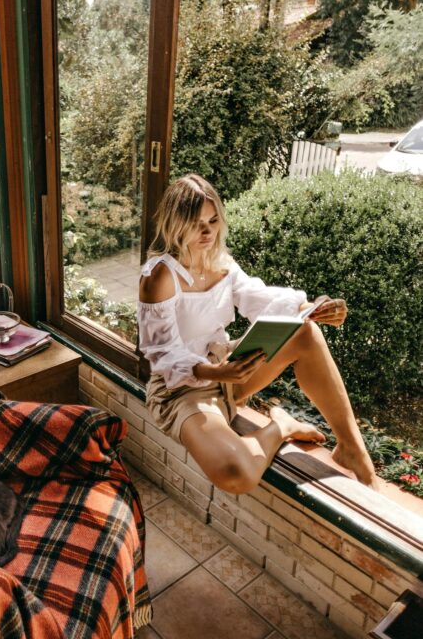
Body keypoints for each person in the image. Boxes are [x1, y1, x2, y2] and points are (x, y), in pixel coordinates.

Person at [138, 174, 378, 495]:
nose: (208, 231)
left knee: (306, 331)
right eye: (196, 223)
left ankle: (351, 448)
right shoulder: (160, 277)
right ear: (175, 224)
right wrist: (215, 371)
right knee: (236, 474)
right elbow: (161, 354)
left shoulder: (220, 263)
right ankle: (281, 425)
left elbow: (259, 297)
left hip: (227, 372)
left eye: (213, 220)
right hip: (182, 390)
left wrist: (313, 306)